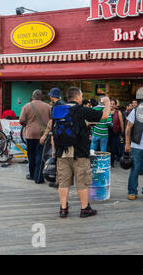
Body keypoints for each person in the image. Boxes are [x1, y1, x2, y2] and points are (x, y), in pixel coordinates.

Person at [54, 87, 111, 218]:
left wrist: (55, 151)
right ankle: (85, 209)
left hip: (62, 152)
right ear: (78, 96)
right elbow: (104, 116)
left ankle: (63, 209)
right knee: (82, 182)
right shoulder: (81, 110)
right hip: (79, 153)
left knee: (63, 182)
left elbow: (53, 131)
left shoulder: (58, 110)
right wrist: (107, 103)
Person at [125, 95, 143, 201]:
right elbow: (128, 127)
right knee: (135, 169)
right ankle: (132, 191)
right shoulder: (136, 111)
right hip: (136, 145)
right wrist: (127, 143)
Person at [19, 90, 51, 184]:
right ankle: (38, 177)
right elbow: (51, 120)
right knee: (40, 155)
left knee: (31, 155)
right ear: (42, 97)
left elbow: (21, 120)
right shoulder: (48, 107)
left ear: (32, 96)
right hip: (42, 135)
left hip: (30, 134)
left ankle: (32, 174)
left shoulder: (26, 106)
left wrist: (27, 125)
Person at [39, 88, 66, 188]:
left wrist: (45, 134)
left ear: (52, 96)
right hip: (64, 134)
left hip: (57, 134)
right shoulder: (64, 104)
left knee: (56, 157)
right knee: (61, 159)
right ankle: (59, 181)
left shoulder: (55, 106)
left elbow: (51, 122)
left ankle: (59, 182)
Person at [110, 99, 125, 166]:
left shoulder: (118, 112)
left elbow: (121, 122)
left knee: (113, 147)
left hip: (115, 132)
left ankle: (112, 162)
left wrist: (122, 132)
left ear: (115, 105)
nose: (112, 105)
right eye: (111, 103)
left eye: (113, 104)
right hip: (107, 132)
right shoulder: (107, 111)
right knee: (108, 147)